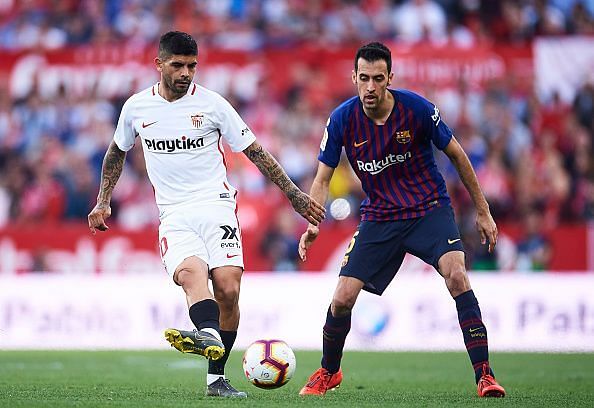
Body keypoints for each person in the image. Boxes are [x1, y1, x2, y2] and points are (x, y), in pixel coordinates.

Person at [87, 31, 325, 398]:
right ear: (159, 64)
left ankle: (214, 366)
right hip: (174, 213)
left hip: (216, 204)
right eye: (178, 65)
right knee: (190, 275)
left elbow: (255, 151)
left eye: (192, 66)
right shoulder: (136, 108)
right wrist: (103, 199)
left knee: (228, 288)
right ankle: (211, 348)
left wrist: (294, 194)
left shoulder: (213, 104)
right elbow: (116, 152)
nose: (185, 73)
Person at [298, 42, 505, 398]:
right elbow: (320, 179)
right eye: (364, 78)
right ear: (354, 77)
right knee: (342, 298)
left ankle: (485, 375)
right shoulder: (342, 119)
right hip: (380, 216)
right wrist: (313, 224)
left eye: (378, 79)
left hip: (428, 209)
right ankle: (328, 372)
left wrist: (483, 211)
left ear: (390, 78)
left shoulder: (418, 110)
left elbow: (456, 155)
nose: (370, 87)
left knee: (457, 274)